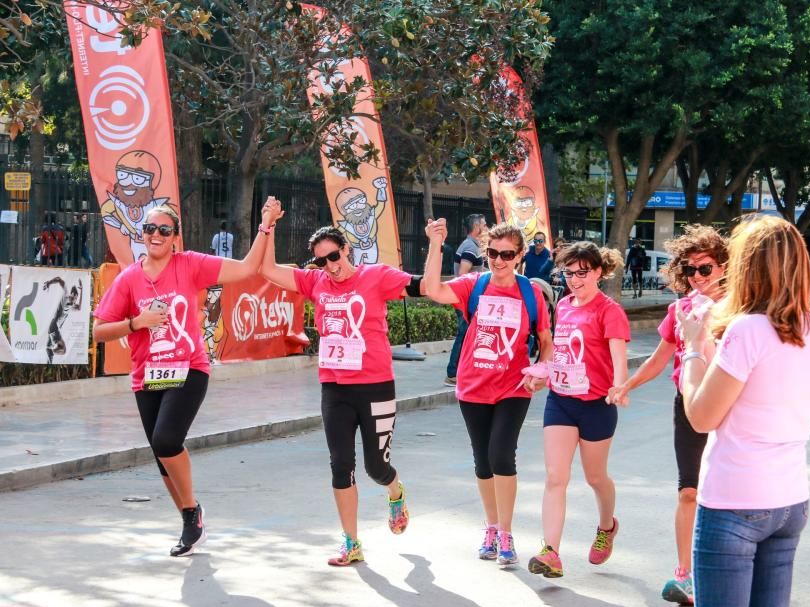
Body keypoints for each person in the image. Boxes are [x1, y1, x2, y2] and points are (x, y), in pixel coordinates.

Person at [675, 215, 810, 607]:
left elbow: (702, 416)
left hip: (734, 501)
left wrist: (692, 347)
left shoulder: (748, 330)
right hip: (789, 500)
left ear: (747, 268)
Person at [92, 199, 280, 557]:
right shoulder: (129, 277)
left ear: (175, 237)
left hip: (189, 368)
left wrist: (265, 225)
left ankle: (192, 510)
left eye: (164, 229)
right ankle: (189, 522)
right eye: (150, 229)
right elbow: (99, 332)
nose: (156, 235)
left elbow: (246, 268)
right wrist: (137, 323)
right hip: (146, 376)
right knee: (163, 455)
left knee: (166, 440)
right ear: (142, 234)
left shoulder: (189, 264)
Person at [259, 208, 420, 567]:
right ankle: (351, 542)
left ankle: (395, 491)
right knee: (340, 464)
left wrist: (439, 248)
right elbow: (268, 271)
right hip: (334, 386)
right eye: (321, 261)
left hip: (375, 385)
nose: (330, 266)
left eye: (334, 256)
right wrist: (267, 226)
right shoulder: (316, 283)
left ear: (346, 250)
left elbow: (421, 286)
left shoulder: (376, 277)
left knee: (377, 468)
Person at [608, 224, 729, 605]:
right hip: (689, 403)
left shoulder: (740, 307)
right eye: (690, 270)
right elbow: (660, 359)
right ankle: (685, 574)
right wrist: (627, 384)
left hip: (731, 406)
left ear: (723, 267)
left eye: (705, 269)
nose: (697, 277)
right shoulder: (680, 309)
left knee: (729, 493)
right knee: (689, 490)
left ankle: (732, 573)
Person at [423, 219, 552, 568]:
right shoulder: (473, 286)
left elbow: (545, 342)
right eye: (493, 253)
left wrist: (542, 370)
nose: (499, 260)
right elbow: (431, 289)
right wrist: (436, 244)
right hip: (473, 386)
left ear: (520, 255)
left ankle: (507, 533)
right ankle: (492, 528)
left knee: (501, 455)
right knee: (482, 460)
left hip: (514, 387)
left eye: (507, 254)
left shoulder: (531, 293)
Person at [526, 241, 630, 578]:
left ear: (598, 272)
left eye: (582, 273)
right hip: (561, 401)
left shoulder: (609, 310)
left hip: (597, 404)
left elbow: (618, 359)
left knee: (595, 477)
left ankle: (606, 527)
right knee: (556, 477)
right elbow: (560, 353)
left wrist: (620, 385)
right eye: (568, 273)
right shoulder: (565, 306)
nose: (574, 280)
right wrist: (542, 373)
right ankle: (551, 551)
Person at [445, 214, 488, 385]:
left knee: (469, 335)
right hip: (466, 299)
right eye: (484, 225)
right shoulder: (470, 247)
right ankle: (453, 373)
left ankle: (461, 370)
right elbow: (463, 274)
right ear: (476, 227)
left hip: (468, 299)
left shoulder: (474, 245)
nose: (486, 228)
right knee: (464, 334)